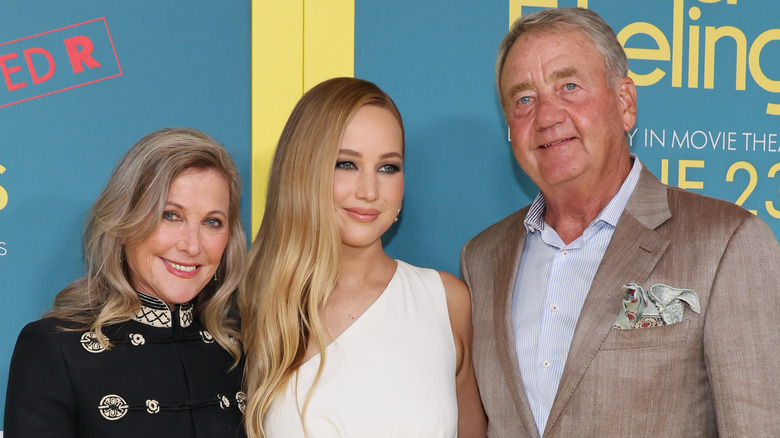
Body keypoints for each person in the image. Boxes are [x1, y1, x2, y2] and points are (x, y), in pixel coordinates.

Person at [460, 7, 780, 437]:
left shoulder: (727, 243)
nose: (547, 115)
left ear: (625, 103)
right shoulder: (482, 259)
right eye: (524, 99)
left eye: (569, 86)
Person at [240, 77, 486, 438]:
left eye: (388, 167)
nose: (369, 191)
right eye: (346, 164)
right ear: (303, 171)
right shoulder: (257, 305)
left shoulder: (447, 302)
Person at [4, 128, 248, 437]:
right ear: (126, 221)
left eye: (212, 222)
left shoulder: (242, 348)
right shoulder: (55, 349)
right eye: (170, 215)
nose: (192, 245)